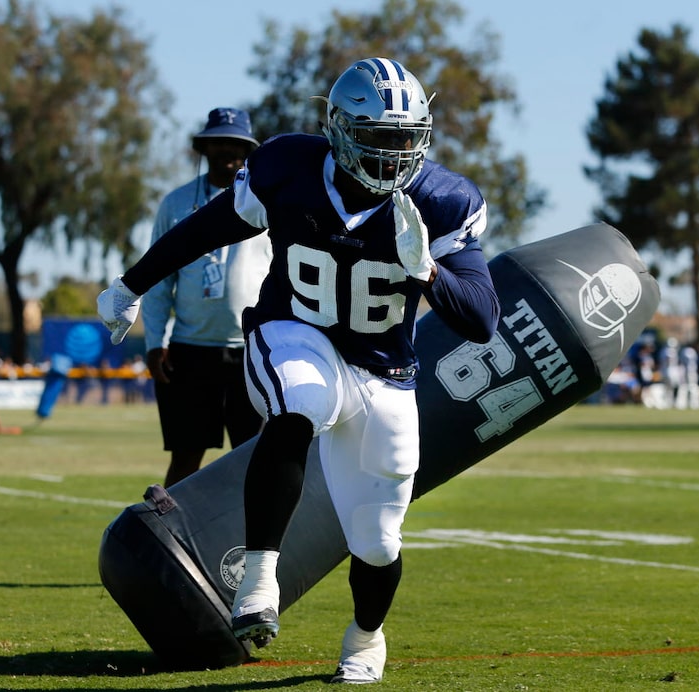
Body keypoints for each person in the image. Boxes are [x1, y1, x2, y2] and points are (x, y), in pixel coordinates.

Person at [98, 57, 500, 685]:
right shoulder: (288, 166)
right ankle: (260, 575)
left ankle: (367, 638)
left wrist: (428, 273)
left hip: (383, 370)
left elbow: (481, 318)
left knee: (377, 541)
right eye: (378, 137)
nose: (394, 155)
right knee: (298, 406)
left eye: (406, 137)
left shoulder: (443, 200)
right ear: (339, 129)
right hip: (296, 331)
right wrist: (132, 283)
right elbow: (207, 229)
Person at [142, 108, 271, 487]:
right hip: (189, 350)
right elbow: (158, 278)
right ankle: (168, 542)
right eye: (218, 141)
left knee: (257, 459)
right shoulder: (176, 204)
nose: (227, 150)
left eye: (235, 143)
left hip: (252, 351)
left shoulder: (270, 202)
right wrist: (154, 342)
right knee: (185, 458)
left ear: (248, 150)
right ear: (204, 147)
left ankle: (255, 544)